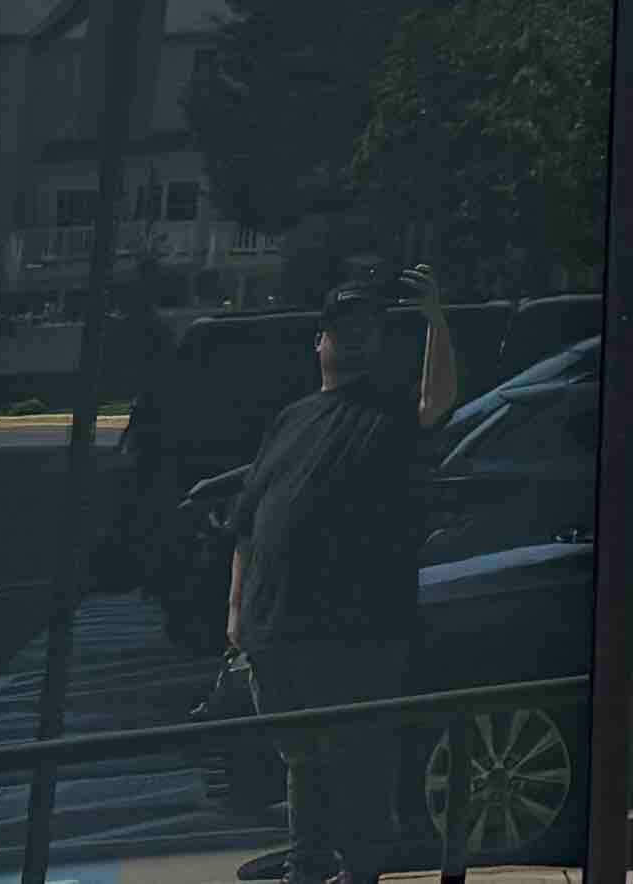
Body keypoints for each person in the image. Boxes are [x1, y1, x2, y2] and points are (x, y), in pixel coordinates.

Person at [228, 271, 459, 884]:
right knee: (302, 763)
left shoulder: (390, 408)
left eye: (368, 330)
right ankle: (305, 870)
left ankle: (360, 874)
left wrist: (435, 320)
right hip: (275, 631)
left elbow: (437, 402)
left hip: (357, 630)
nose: (354, 339)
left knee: (358, 765)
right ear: (319, 341)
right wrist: (237, 616)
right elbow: (250, 521)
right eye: (342, 329)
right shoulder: (292, 418)